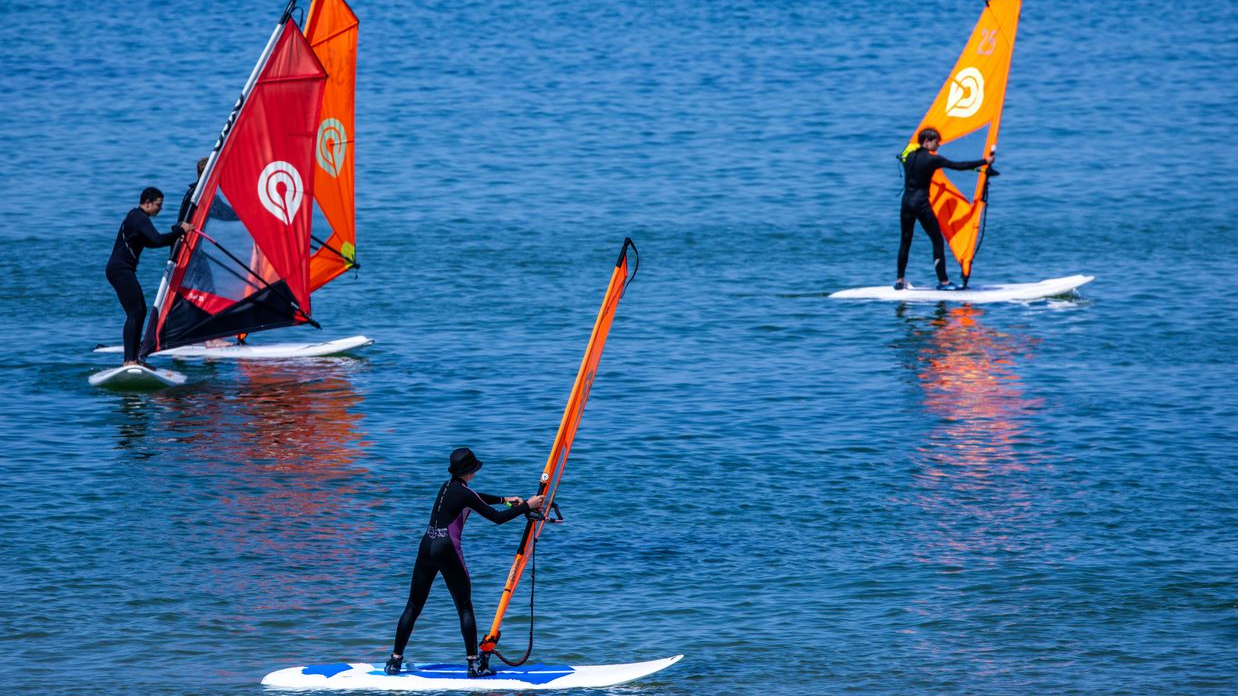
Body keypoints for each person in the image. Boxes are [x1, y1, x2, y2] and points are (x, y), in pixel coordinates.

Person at [385, 447, 545, 679]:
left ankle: (395, 660)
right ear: (469, 470)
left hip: (426, 546)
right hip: (446, 549)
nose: (476, 472)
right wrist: (526, 507)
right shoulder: (465, 494)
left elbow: (476, 498)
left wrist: (505, 499)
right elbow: (496, 518)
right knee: (464, 606)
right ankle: (474, 666)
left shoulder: (448, 487)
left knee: (413, 605)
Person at [895, 126, 994, 291]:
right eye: (936, 142)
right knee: (937, 240)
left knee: (905, 241)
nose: (938, 145)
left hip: (906, 203)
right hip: (921, 204)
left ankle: (899, 280)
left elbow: (905, 158)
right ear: (926, 142)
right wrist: (985, 162)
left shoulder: (908, 157)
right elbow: (958, 166)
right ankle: (943, 282)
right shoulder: (932, 159)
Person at [105, 187, 192, 365]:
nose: (160, 209)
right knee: (134, 312)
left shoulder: (136, 217)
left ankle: (134, 357)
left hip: (120, 269)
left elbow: (151, 242)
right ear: (147, 203)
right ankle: (129, 360)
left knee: (140, 311)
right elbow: (157, 239)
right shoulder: (139, 218)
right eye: (158, 205)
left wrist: (175, 235)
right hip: (120, 270)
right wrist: (181, 231)